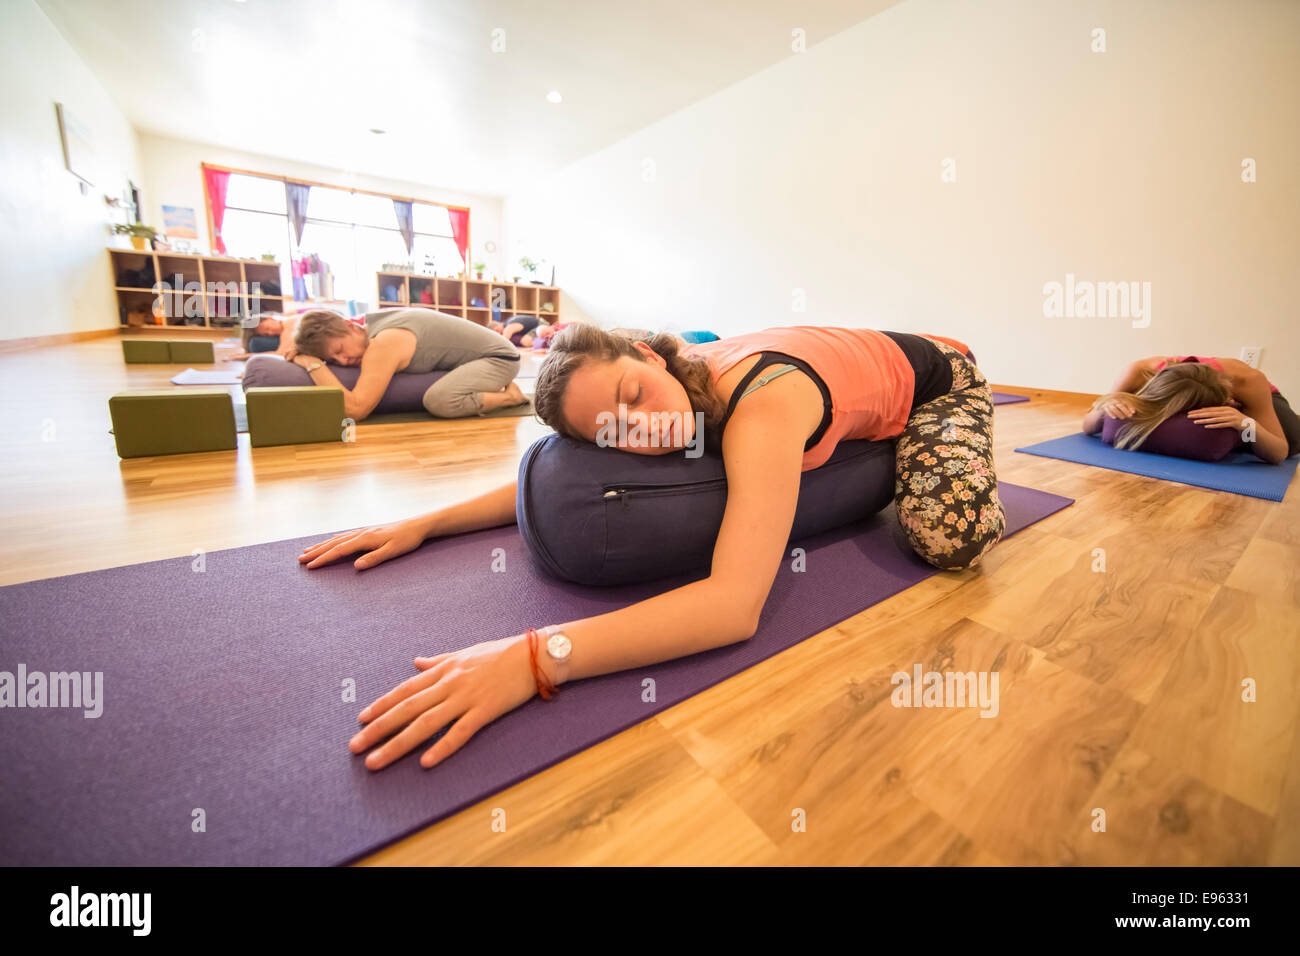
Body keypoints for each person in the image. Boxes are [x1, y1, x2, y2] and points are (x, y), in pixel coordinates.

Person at [298, 324, 1005, 772]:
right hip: (835, 367)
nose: (643, 429)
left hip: (942, 376)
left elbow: (733, 607)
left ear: (647, 353)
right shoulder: (675, 405)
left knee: (949, 538)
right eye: (615, 431)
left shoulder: (757, 410)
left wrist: (536, 658)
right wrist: (426, 522)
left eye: (634, 394)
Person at [284, 308, 530, 421]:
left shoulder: (383, 344)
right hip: (482, 356)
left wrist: (313, 364)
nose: (343, 361)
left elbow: (356, 410)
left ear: (349, 325)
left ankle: (511, 397)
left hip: (501, 359)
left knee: (439, 400)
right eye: (333, 360)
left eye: (339, 350)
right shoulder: (375, 326)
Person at [1083, 354, 1298, 463]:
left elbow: (1279, 453)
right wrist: (1103, 408)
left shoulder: (1249, 381)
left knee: (1294, 439)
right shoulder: (1139, 371)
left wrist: (1247, 424)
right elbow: (1087, 425)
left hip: (1266, 399)